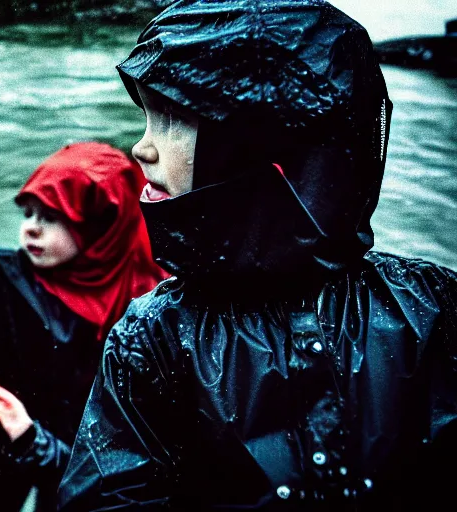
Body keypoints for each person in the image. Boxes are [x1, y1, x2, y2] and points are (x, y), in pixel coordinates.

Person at [59, 0, 457, 510]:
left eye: (173, 120)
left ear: (258, 142)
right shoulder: (154, 337)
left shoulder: (430, 312)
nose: (141, 149)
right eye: (147, 119)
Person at [0, 141, 166, 511]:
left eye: (51, 218)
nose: (32, 230)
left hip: (82, 448)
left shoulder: (144, 297)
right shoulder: (7, 277)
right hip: (3, 431)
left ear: (100, 226)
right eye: (29, 214)